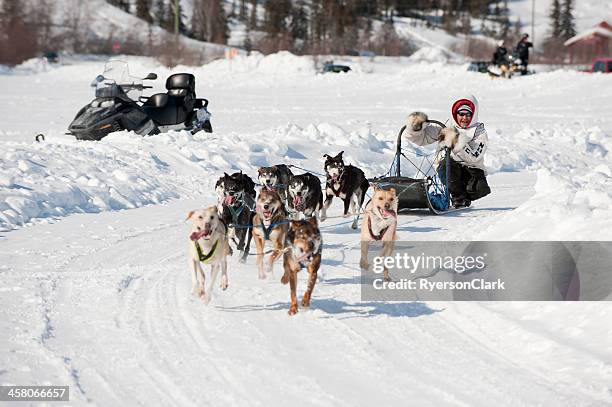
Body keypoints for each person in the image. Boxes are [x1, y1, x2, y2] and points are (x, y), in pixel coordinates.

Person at [404, 95, 491, 208]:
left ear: (473, 114)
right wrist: (415, 128)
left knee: (452, 166)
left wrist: (456, 141)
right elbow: (422, 139)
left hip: (471, 174)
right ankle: (456, 197)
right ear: (455, 114)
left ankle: (462, 197)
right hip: (450, 172)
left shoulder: (479, 132)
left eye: (468, 114)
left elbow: (474, 157)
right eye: (461, 114)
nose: (464, 118)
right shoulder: (446, 127)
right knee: (447, 164)